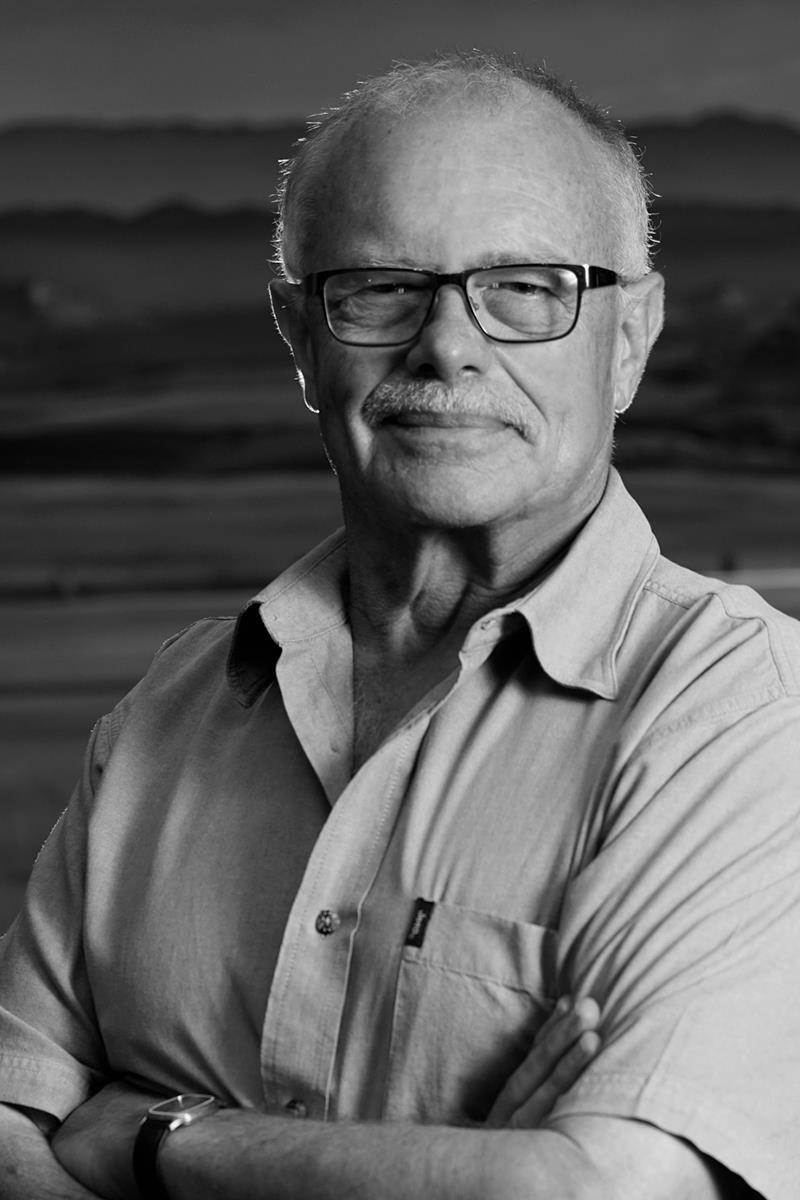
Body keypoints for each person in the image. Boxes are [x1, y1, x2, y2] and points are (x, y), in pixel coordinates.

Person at [1, 49, 799, 1200]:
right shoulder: (167, 713)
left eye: (524, 288)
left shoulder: (743, 714)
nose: (448, 345)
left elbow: (602, 1191)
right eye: (379, 289)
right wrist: (471, 1168)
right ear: (298, 335)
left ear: (628, 337)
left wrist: (154, 1140)